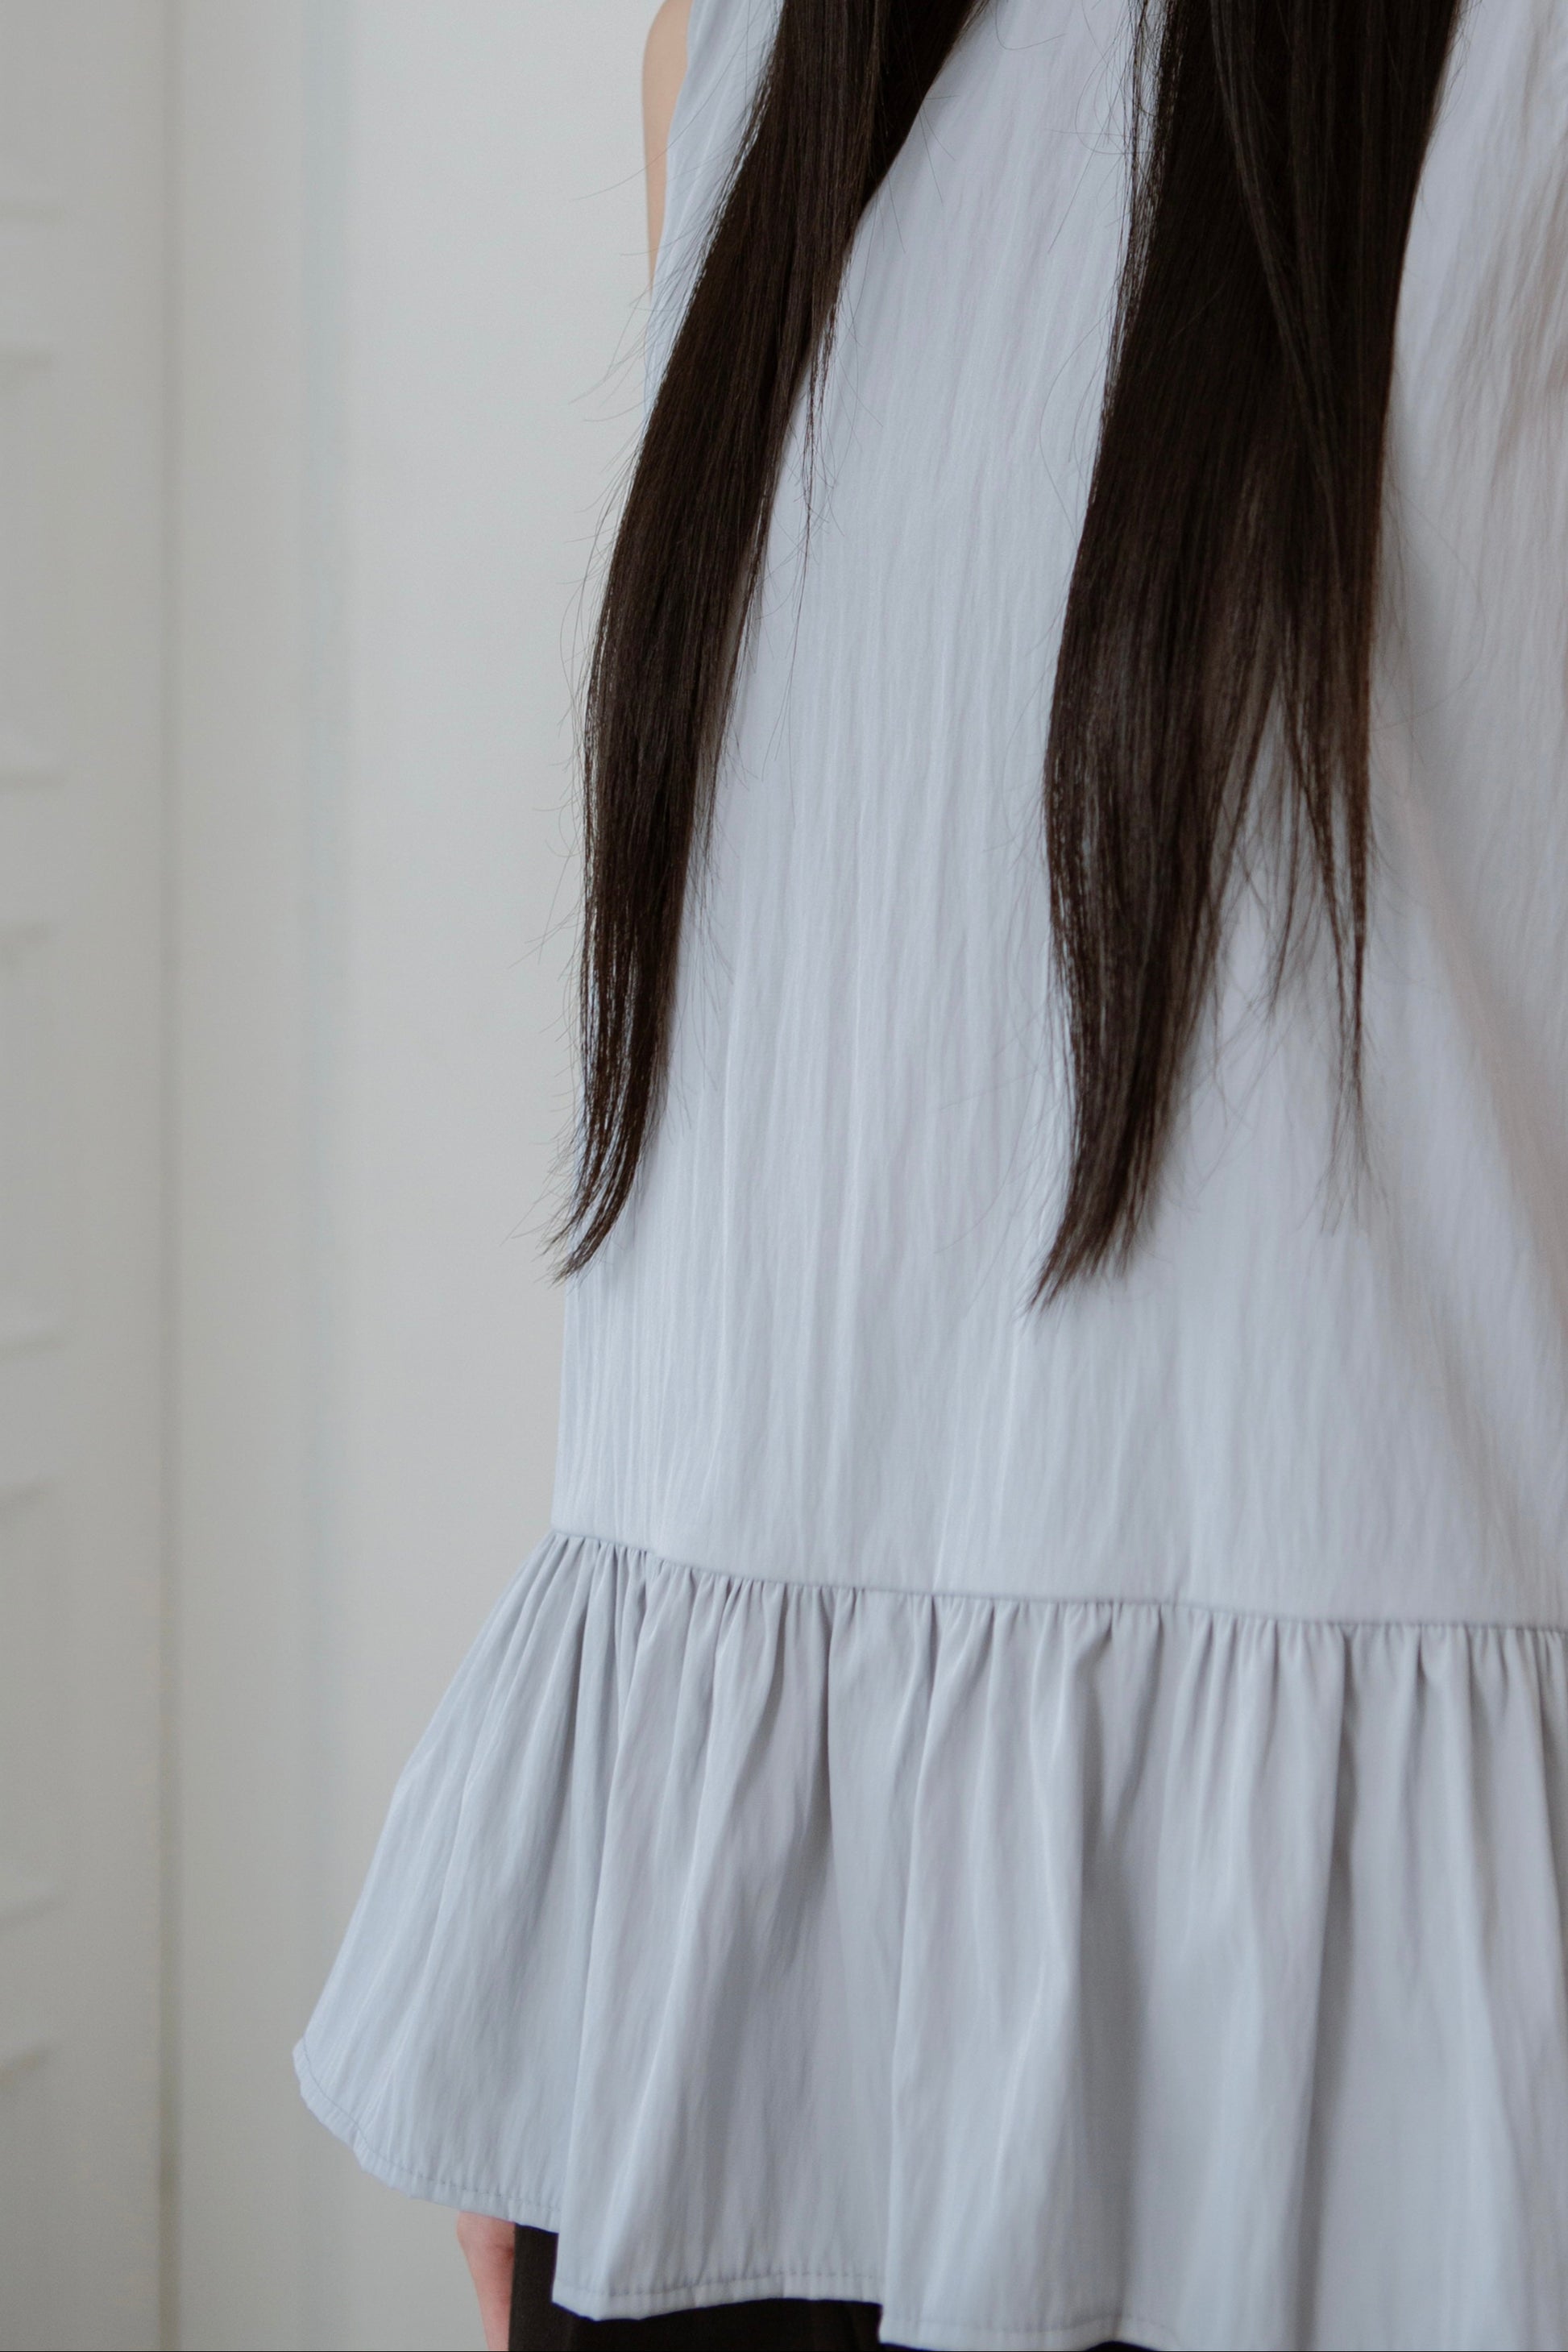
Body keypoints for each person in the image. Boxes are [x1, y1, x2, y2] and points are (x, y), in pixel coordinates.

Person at [295, 1, 1568, 2346]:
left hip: (1373, 2054)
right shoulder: (744, 53)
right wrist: (582, 1985)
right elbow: (778, 1068)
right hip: (735, 2002)